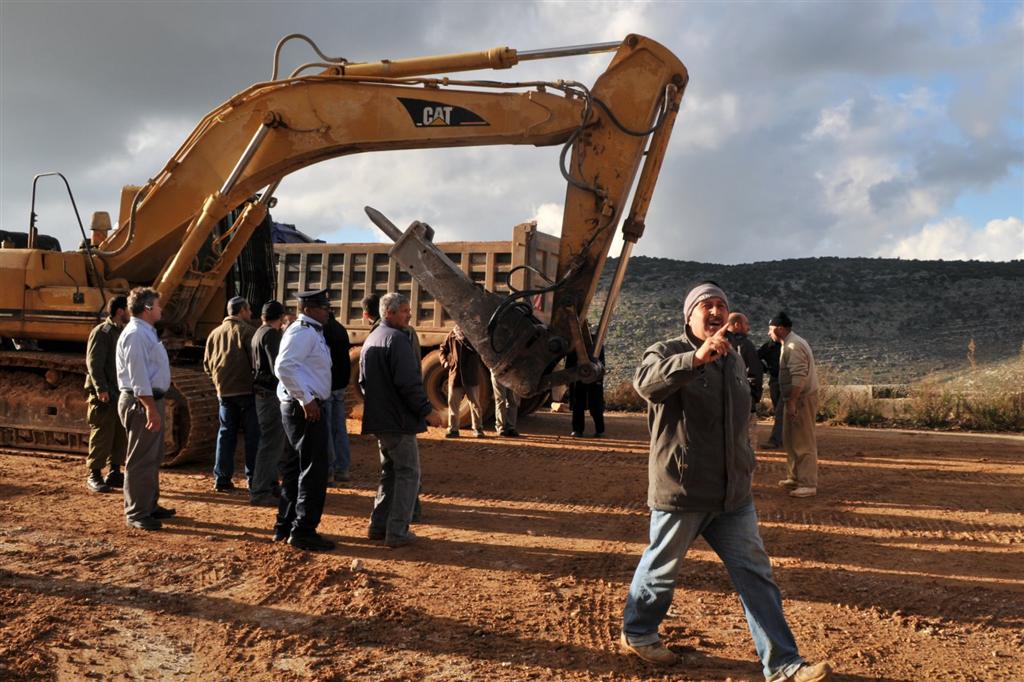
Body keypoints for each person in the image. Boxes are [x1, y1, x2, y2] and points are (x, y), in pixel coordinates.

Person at [620, 282, 832, 682]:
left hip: (733, 495)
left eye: (721, 305)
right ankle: (638, 631)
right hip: (683, 490)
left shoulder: (734, 357)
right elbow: (646, 385)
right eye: (706, 305)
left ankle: (784, 664)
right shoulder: (665, 351)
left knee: (756, 574)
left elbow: (739, 422)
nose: (715, 311)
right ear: (689, 315)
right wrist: (695, 359)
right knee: (661, 570)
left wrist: (746, 464)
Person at [360, 292, 443, 548]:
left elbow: (364, 383)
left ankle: (379, 525)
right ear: (389, 313)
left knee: (390, 473)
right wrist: (427, 411)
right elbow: (409, 384)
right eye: (405, 310)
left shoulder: (374, 338)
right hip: (398, 422)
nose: (409, 314)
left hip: (382, 420)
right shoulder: (397, 340)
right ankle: (398, 532)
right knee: (408, 474)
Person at [273, 289, 336, 551]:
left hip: (300, 407)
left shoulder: (310, 332)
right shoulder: (302, 332)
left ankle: (286, 526)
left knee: (295, 468)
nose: (327, 311)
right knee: (312, 469)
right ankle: (303, 531)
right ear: (309, 308)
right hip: (305, 410)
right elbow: (284, 366)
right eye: (323, 307)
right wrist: (306, 399)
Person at [116, 287, 175, 531]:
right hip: (142, 402)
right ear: (148, 308)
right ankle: (137, 512)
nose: (161, 309)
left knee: (152, 456)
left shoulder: (146, 332)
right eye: (158, 305)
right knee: (141, 459)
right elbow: (138, 375)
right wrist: (149, 407)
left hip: (149, 401)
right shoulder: (136, 335)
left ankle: (148, 505)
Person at [205, 296, 260, 494]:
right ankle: (253, 479)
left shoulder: (214, 333)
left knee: (226, 435)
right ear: (242, 311)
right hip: (247, 393)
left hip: (224, 393)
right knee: (252, 437)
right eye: (249, 310)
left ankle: (222, 479)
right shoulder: (248, 332)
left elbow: (207, 365)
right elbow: (257, 363)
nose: (251, 314)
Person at [770, 312, 820, 499]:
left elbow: (799, 377)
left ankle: (808, 483)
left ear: (780, 328)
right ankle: (795, 477)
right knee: (790, 439)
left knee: (803, 440)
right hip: (793, 398)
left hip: (801, 399)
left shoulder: (794, 345)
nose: (769, 333)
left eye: (771, 329)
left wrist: (792, 402)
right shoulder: (788, 344)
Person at [84, 295, 129, 493]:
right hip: (106, 392)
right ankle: (94, 474)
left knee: (119, 434)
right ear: (120, 311)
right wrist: (101, 388)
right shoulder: (102, 332)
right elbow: (94, 363)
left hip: (119, 391)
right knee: (102, 432)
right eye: (128, 309)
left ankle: (114, 471)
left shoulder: (121, 332)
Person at [250, 300, 287, 507]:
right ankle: (260, 491)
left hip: (261, 394)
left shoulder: (258, 332)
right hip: (270, 395)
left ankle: (270, 485)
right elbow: (277, 368)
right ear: (280, 317)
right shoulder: (271, 335)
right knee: (271, 445)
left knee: (271, 443)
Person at [440, 324, 485, 438]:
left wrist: (465, 338)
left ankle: (478, 429)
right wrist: (445, 362)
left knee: (475, 404)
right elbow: (443, 349)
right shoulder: (452, 334)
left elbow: (480, 350)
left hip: (470, 375)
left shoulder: (473, 335)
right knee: (453, 403)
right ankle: (453, 429)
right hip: (455, 376)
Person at [323, 309, 352, 485]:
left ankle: (329, 471)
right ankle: (343, 469)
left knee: (326, 430)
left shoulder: (322, 330)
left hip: (326, 386)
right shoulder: (341, 329)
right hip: (340, 386)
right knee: (340, 428)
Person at [727, 312, 764, 448]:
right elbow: (755, 373)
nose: (748, 327)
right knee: (747, 443)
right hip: (744, 402)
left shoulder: (717, 343)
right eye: (746, 324)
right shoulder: (745, 345)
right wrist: (754, 397)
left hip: (724, 403)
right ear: (737, 325)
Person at [566, 326, 606, 437]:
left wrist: (599, 379)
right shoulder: (574, 343)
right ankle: (577, 430)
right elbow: (570, 362)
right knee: (578, 404)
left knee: (596, 405)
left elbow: (602, 363)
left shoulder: (597, 343)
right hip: (578, 378)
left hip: (594, 378)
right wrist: (568, 378)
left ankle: (599, 430)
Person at [758, 335, 784, 449]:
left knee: (780, 412)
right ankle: (781, 439)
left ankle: (775, 440)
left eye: (770, 329)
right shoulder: (768, 346)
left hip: (787, 382)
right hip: (774, 380)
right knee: (779, 411)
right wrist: (765, 369)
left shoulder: (789, 345)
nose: (768, 333)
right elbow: (755, 357)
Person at [491, 371, 521, 438]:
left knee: (513, 401)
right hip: (498, 372)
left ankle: (511, 427)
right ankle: (501, 427)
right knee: (501, 400)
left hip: (512, 373)